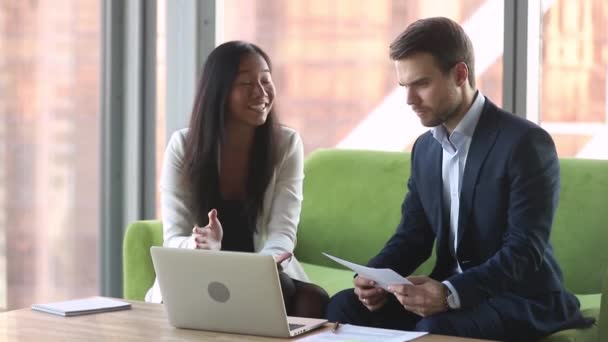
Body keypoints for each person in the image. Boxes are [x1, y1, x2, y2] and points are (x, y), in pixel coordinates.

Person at [326, 17, 593, 341]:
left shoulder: (524, 143)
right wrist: (374, 277)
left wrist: (450, 292)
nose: (409, 99)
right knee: (343, 307)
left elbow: (524, 250)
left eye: (421, 84)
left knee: (434, 330)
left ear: (460, 74)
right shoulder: (425, 149)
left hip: (519, 297)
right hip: (449, 297)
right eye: (404, 86)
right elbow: (414, 235)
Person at [145, 40, 329, 318]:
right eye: (245, 84)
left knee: (313, 300)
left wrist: (258, 269)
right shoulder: (184, 146)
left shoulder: (286, 144)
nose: (261, 92)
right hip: (199, 269)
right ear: (219, 92)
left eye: (266, 80)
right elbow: (173, 237)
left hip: (264, 270)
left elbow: (283, 230)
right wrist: (202, 244)